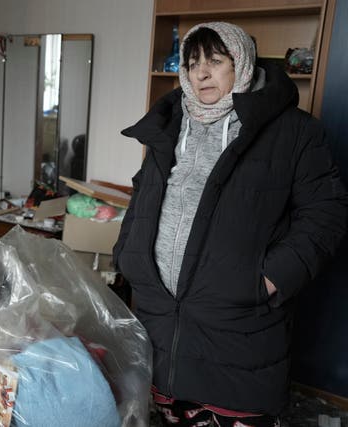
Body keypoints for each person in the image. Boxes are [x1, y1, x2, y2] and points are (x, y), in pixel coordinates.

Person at [114, 22, 348, 426]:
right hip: (160, 326)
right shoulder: (169, 125)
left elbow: (325, 212)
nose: (200, 73)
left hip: (239, 341)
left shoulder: (294, 132)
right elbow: (143, 194)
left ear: (241, 63)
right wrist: (128, 254)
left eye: (215, 62)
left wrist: (269, 278)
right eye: (191, 64)